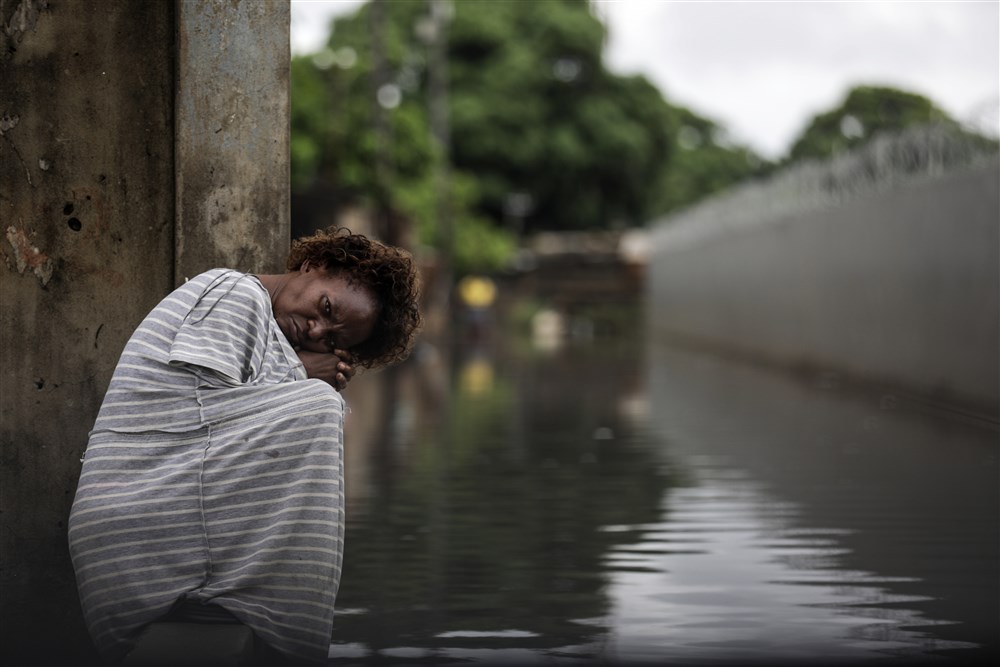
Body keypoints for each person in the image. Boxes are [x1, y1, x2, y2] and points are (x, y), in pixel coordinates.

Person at [68, 227, 421, 663]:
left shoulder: (271, 330)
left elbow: (225, 424)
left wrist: (298, 372)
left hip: (159, 523)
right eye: (325, 307)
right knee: (318, 407)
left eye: (332, 339)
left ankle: (237, 599)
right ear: (316, 265)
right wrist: (303, 375)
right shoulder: (234, 291)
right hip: (137, 516)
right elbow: (200, 408)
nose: (315, 329)